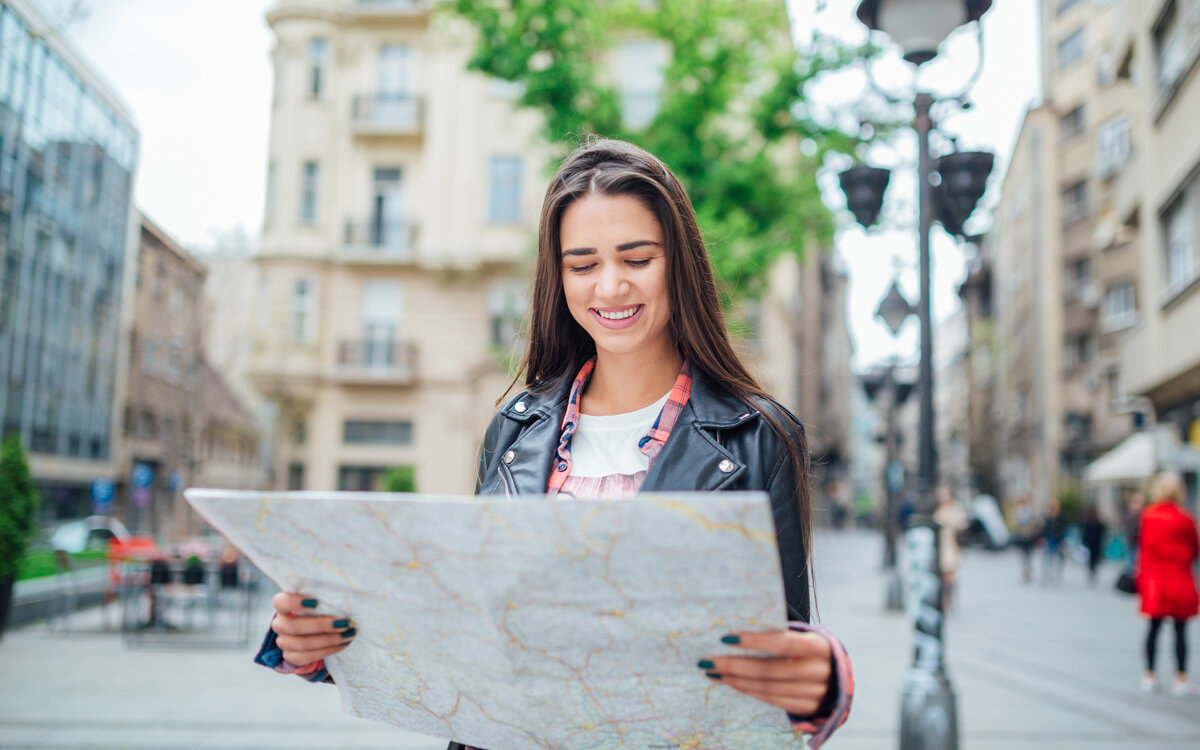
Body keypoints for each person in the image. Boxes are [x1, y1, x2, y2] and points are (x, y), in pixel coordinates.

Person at [255, 139, 854, 748]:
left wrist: (821, 680)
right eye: (583, 264)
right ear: (559, 278)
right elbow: (461, 630)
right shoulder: (512, 431)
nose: (611, 286)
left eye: (637, 258)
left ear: (679, 263)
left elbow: (783, 660)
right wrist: (323, 645)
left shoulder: (761, 438)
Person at [1136, 472, 1199, 696]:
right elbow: (1195, 548)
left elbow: (1143, 549)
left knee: (1153, 629)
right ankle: (1180, 678)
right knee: (1180, 631)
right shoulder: (1186, 519)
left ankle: (1149, 675)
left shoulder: (1148, 516)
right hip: (1179, 580)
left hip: (1155, 582)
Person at [933, 487, 968, 611]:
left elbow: (962, 524)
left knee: (950, 574)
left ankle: (948, 599)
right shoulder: (936, 509)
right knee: (942, 574)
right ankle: (944, 597)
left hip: (952, 546)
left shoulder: (956, 508)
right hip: (940, 547)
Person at [1011, 495, 1038, 583]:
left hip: (1029, 537)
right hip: (1022, 537)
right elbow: (1016, 524)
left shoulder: (1029, 512)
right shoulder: (1019, 512)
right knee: (1023, 555)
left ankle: (1028, 570)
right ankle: (1025, 571)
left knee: (1029, 555)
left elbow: (1033, 524)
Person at [1040, 499, 1067, 585]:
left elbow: (1063, 530)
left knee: (1058, 558)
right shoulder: (1047, 519)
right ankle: (1047, 574)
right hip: (1049, 540)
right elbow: (1044, 530)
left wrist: (1063, 542)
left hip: (1058, 540)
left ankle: (1056, 575)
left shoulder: (1061, 518)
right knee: (1047, 558)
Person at [1080, 502, 1108, 586]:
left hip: (1096, 543)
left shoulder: (1098, 523)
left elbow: (1103, 532)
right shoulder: (1088, 522)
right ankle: (1091, 571)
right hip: (1090, 543)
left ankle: (1093, 571)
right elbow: (1084, 532)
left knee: (1094, 559)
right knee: (1091, 559)